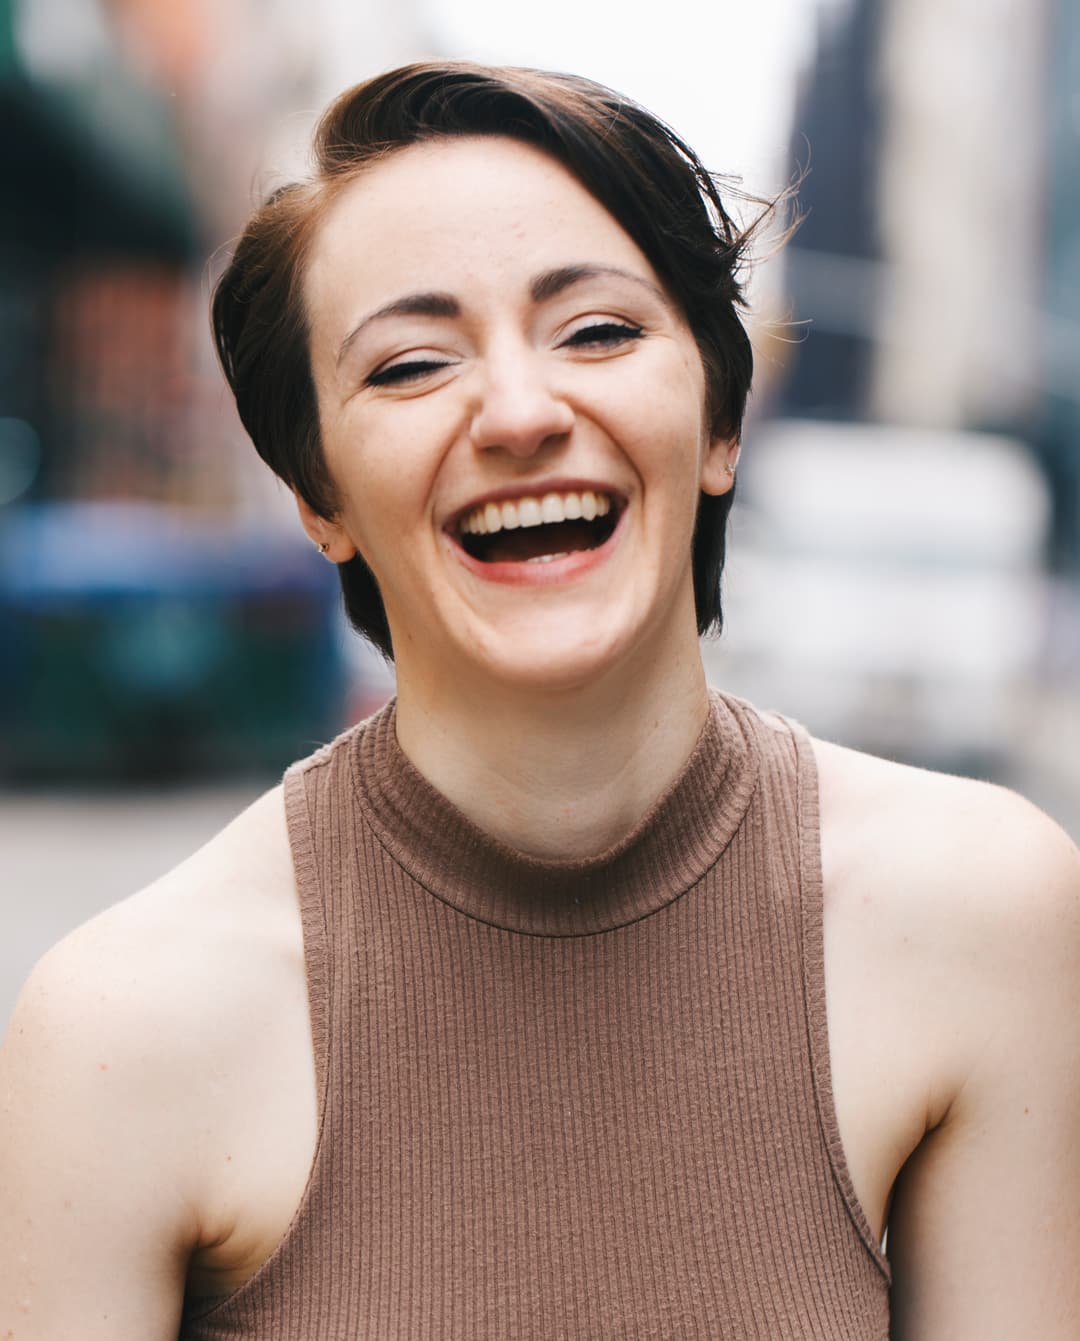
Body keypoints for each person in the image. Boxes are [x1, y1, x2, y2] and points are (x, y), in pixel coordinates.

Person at [2, 61, 1077, 1341]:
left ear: (723, 420)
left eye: (601, 332)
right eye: (409, 366)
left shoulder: (983, 912)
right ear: (319, 496)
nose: (520, 412)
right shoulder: (118, 1033)